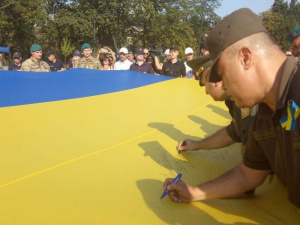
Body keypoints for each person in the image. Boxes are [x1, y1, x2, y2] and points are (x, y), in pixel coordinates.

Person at [163, 8, 300, 211]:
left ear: (245, 58)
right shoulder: (262, 117)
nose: (223, 86)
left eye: (222, 74)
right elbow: (248, 175)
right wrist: (194, 192)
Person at [179, 54, 257, 159]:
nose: (206, 92)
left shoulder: (245, 98)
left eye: (205, 84)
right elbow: (235, 131)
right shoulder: (232, 100)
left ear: (215, 80)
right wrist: (197, 145)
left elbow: (252, 164)